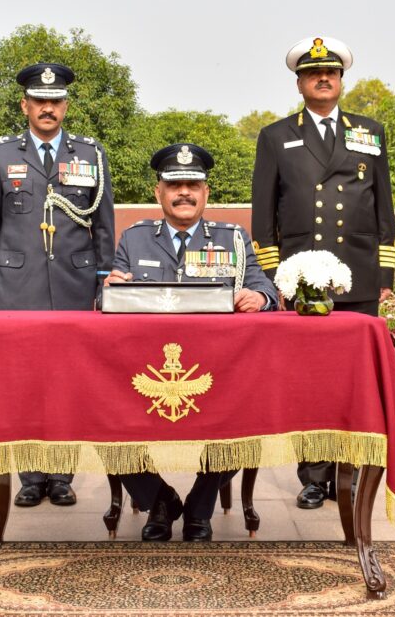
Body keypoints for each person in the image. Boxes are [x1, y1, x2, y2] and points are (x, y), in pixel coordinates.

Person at [250, 36, 395, 510]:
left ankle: (349, 470)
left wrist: (385, 273)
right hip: (302, 276)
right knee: (310, 380)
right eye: (314, 74)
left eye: (331, 73)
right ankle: (314, 477)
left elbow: (383, 206)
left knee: (355, 380)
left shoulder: (369, 133)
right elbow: (263, 209)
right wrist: (275, 273)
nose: (324, 78)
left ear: (341, 80)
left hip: (356, 273)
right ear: (300, 83)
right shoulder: (276, 136)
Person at [104, 143, 277, 541]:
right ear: (158, 193)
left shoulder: (233, 238)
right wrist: (110, 289)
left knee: (247, 418)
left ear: (206, 193)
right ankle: (159, 498)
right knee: (101, 418)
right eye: (174, 184)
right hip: (143, 370)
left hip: (216, 371)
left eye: (193, 184)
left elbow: (264, 288)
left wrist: (260, 298)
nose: (184, 192)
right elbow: (108, 299)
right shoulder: (135, 238)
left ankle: (200, 505)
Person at [0, 62, 115, 507]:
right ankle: (31, 477)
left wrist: (102, 283)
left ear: (66, 107)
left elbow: (104, 225)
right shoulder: (1, 155)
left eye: (55, 102)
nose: (47, 108)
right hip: (19, 284)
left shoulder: (90, 154)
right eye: (39, 101)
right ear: (25, 106)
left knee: (69, 381)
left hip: (75, 283)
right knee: (26, 380)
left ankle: (62, 475)